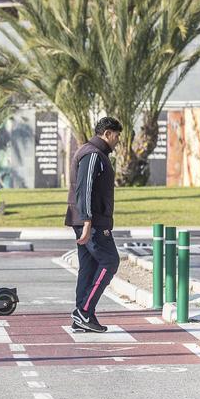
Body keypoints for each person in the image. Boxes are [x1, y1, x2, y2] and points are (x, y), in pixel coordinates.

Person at [64, 117, 123, 333]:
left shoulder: (96, 154)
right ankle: (84, 312)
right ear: (107, 133)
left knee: (88, 268)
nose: (117, 141)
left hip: (90, 220)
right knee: (110, 261)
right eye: (116, 136)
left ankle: (82, 314)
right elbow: (84, 189)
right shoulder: (92, 154)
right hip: (92, 221)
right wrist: (88, 221)